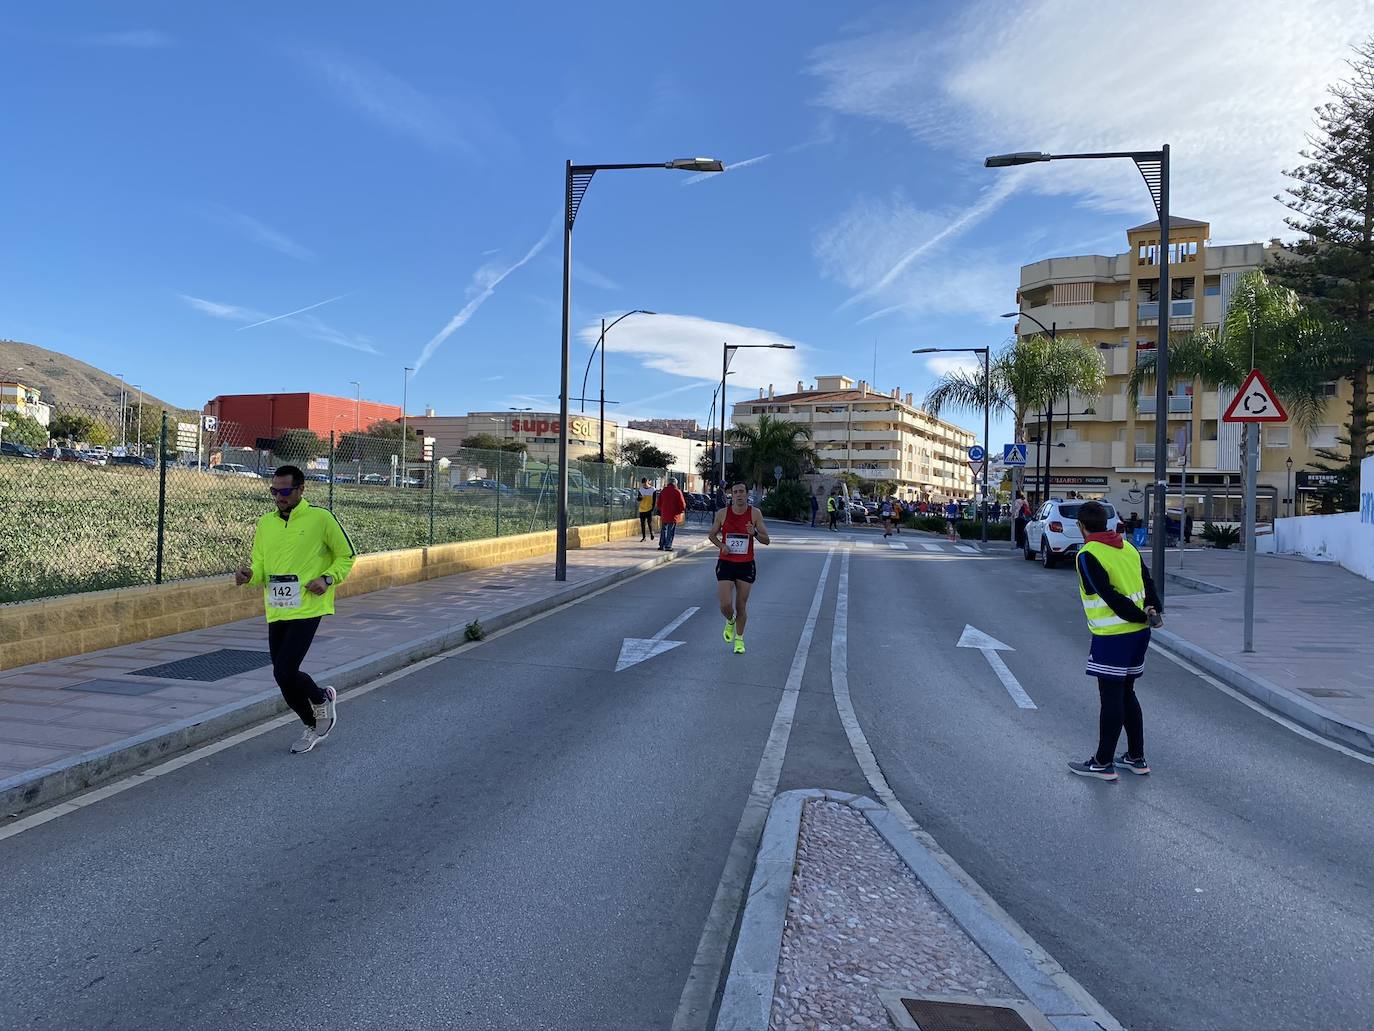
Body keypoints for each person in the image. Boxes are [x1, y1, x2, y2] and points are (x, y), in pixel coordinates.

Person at [234, 464, 356, 754]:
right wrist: (250, 575)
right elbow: (261, 565)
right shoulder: (266, 523)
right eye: (274, 491)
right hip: (278, 607)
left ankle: (321, 700)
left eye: (285, 491)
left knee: (286, 669)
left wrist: (327, 579)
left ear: (301, 489)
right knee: (281, 676)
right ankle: (313, 720)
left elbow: (347, 555)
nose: (279, 497)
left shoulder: (321, 518)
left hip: (308, 606)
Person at [1068, 501, 1163, 781]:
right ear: (1106, 523)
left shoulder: (1087, 555)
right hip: (1139, 634)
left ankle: (1102, 762)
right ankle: (1136, 757)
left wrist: (1138, 615)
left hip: (1113, 636)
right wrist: (1153, 612)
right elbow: (1148, 582)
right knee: (1127, 693)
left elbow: (1108, 595)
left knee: (1111, 698)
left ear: (1081, 526)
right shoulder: (1129, 547)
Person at [709, 482, 771, 655]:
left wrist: (755, 533)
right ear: (732, 494)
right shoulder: (722, 513)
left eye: (741, 491)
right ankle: (730, 620)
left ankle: (739, 640)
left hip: (745, 564)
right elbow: (712, 535)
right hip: (726, 562)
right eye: (735, 492)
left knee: (741, 605)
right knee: (725, 604)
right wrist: (722, 545)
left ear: (747, 494)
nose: (738, 495)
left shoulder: (755, 513)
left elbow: (767, 540)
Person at [657, 477, 686, 551]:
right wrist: (679, 512)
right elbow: (682, 505)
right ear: (675, 483)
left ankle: (662, 545)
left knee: (663, 530)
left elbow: (659, 503)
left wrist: (661, 509)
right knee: (671, 530)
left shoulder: (663, 491)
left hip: (664, 514)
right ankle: (668, 546)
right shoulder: (677, 491)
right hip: (673, 515)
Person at [637, 477, 657, 543]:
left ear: (647, 482)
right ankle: (644, 537)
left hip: (649, 509)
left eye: (645, 483)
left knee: (649, 522)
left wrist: (653, 508)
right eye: (643, 484)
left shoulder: (653, 489)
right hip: (642, 509)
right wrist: (640, 498)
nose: (644, 485)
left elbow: (654, 500)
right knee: (642, 523)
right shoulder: (641, 489)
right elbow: (638, 499)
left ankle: (651, 533)